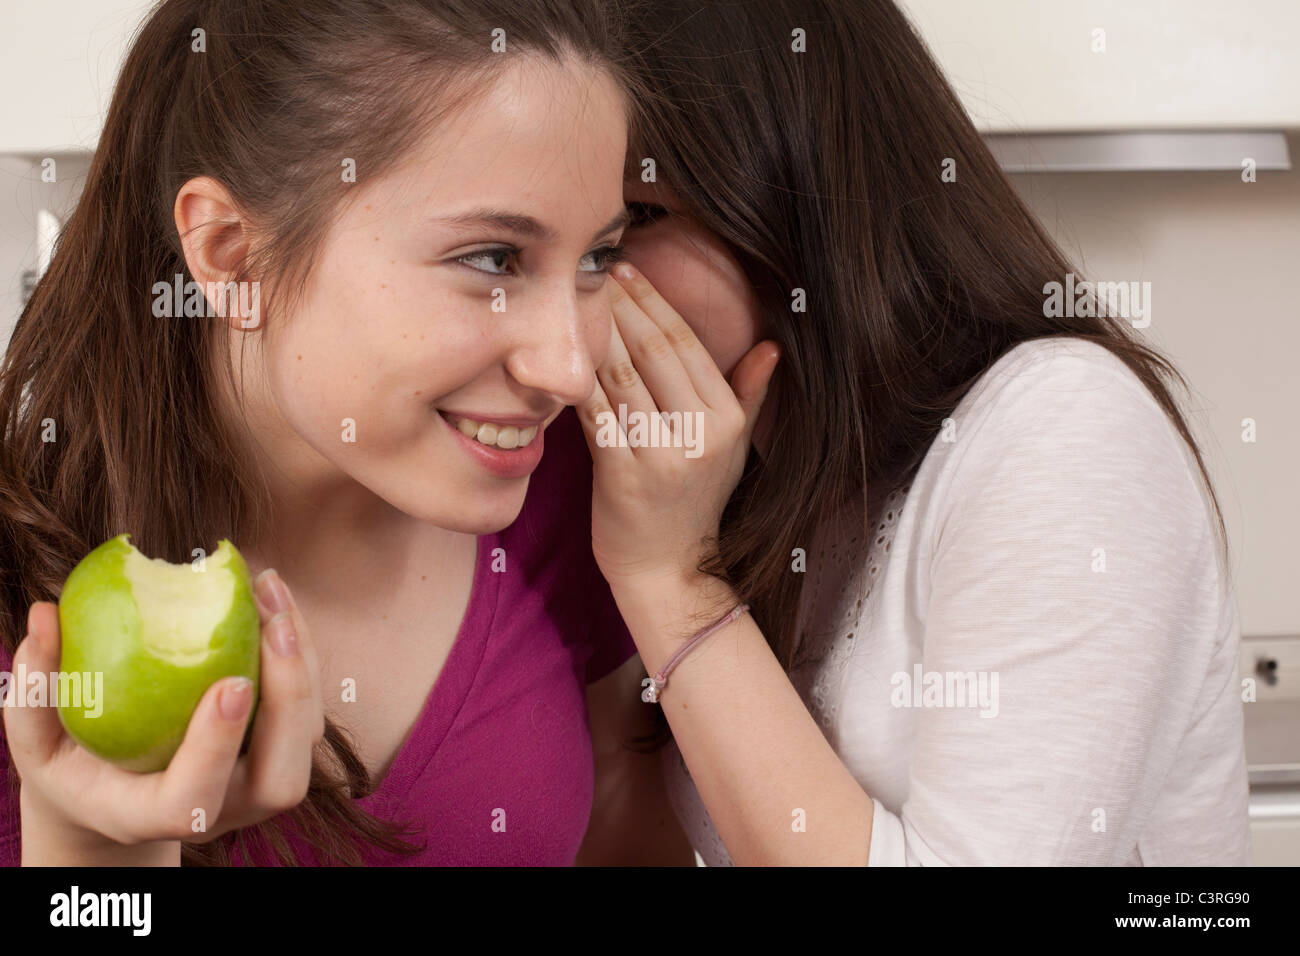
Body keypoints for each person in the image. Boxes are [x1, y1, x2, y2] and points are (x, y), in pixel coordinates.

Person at [0, 0, 693, 866]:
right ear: (227, 253)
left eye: (596, 258)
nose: (569, 369)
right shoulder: (29, 616)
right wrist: (92, 850)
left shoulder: (563, 502)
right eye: (492, 259)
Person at [578, 0, 1252, 865]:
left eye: (632, 220)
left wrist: (669, 580)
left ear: (790, 192)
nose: (583, 296)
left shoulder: (1061, 428)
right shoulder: (721, 471)